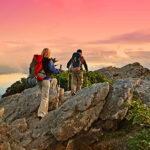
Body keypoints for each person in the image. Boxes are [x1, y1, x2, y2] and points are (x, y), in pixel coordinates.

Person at [38, 48, 62, 120]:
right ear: (48, 54)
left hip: (39, 80)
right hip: (46, 80)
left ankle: (44, 112)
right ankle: (41, 114)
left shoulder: (39, 60)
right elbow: (53, 70)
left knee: (43, 97)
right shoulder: (49, 61)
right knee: (45, 97)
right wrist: (59, 70)